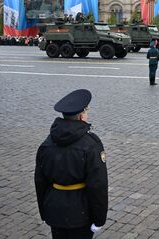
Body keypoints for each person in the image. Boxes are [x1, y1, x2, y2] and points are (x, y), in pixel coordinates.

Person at [35, 89, 108, 239]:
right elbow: (98, 185)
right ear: (82, 116)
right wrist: (99, 218)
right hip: (81, 212)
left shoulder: (47, 143)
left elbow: (40, 181)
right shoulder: (91, 144)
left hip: (55, 210)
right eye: (86, 111)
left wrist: (45, 211)